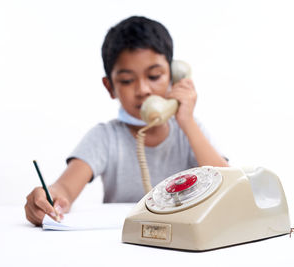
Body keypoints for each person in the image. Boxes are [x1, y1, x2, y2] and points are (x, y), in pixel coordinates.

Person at [25, 16, 228, 226]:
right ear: (110, 87)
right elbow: (64, 189)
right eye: (127, 81)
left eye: (155, 76)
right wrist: (48, 197)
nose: (143, 90)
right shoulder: (105, 137)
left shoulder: (190, 132)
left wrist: (186, 121)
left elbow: (229, 186)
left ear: (174, 77)